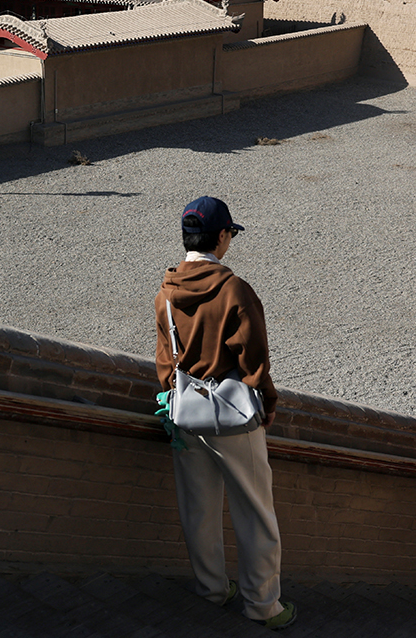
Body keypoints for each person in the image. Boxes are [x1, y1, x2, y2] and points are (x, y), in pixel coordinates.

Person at [154, 196, 296, 631]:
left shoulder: (165, 293)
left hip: (186, 413)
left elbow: (164, 361)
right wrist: (268, 404)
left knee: (198, 507)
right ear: (221, 237)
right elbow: (255, 359)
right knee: (254, 512)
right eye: (230, 233)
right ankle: (262, 605)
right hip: (233, 417)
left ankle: (212, 589)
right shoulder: (234, 289)